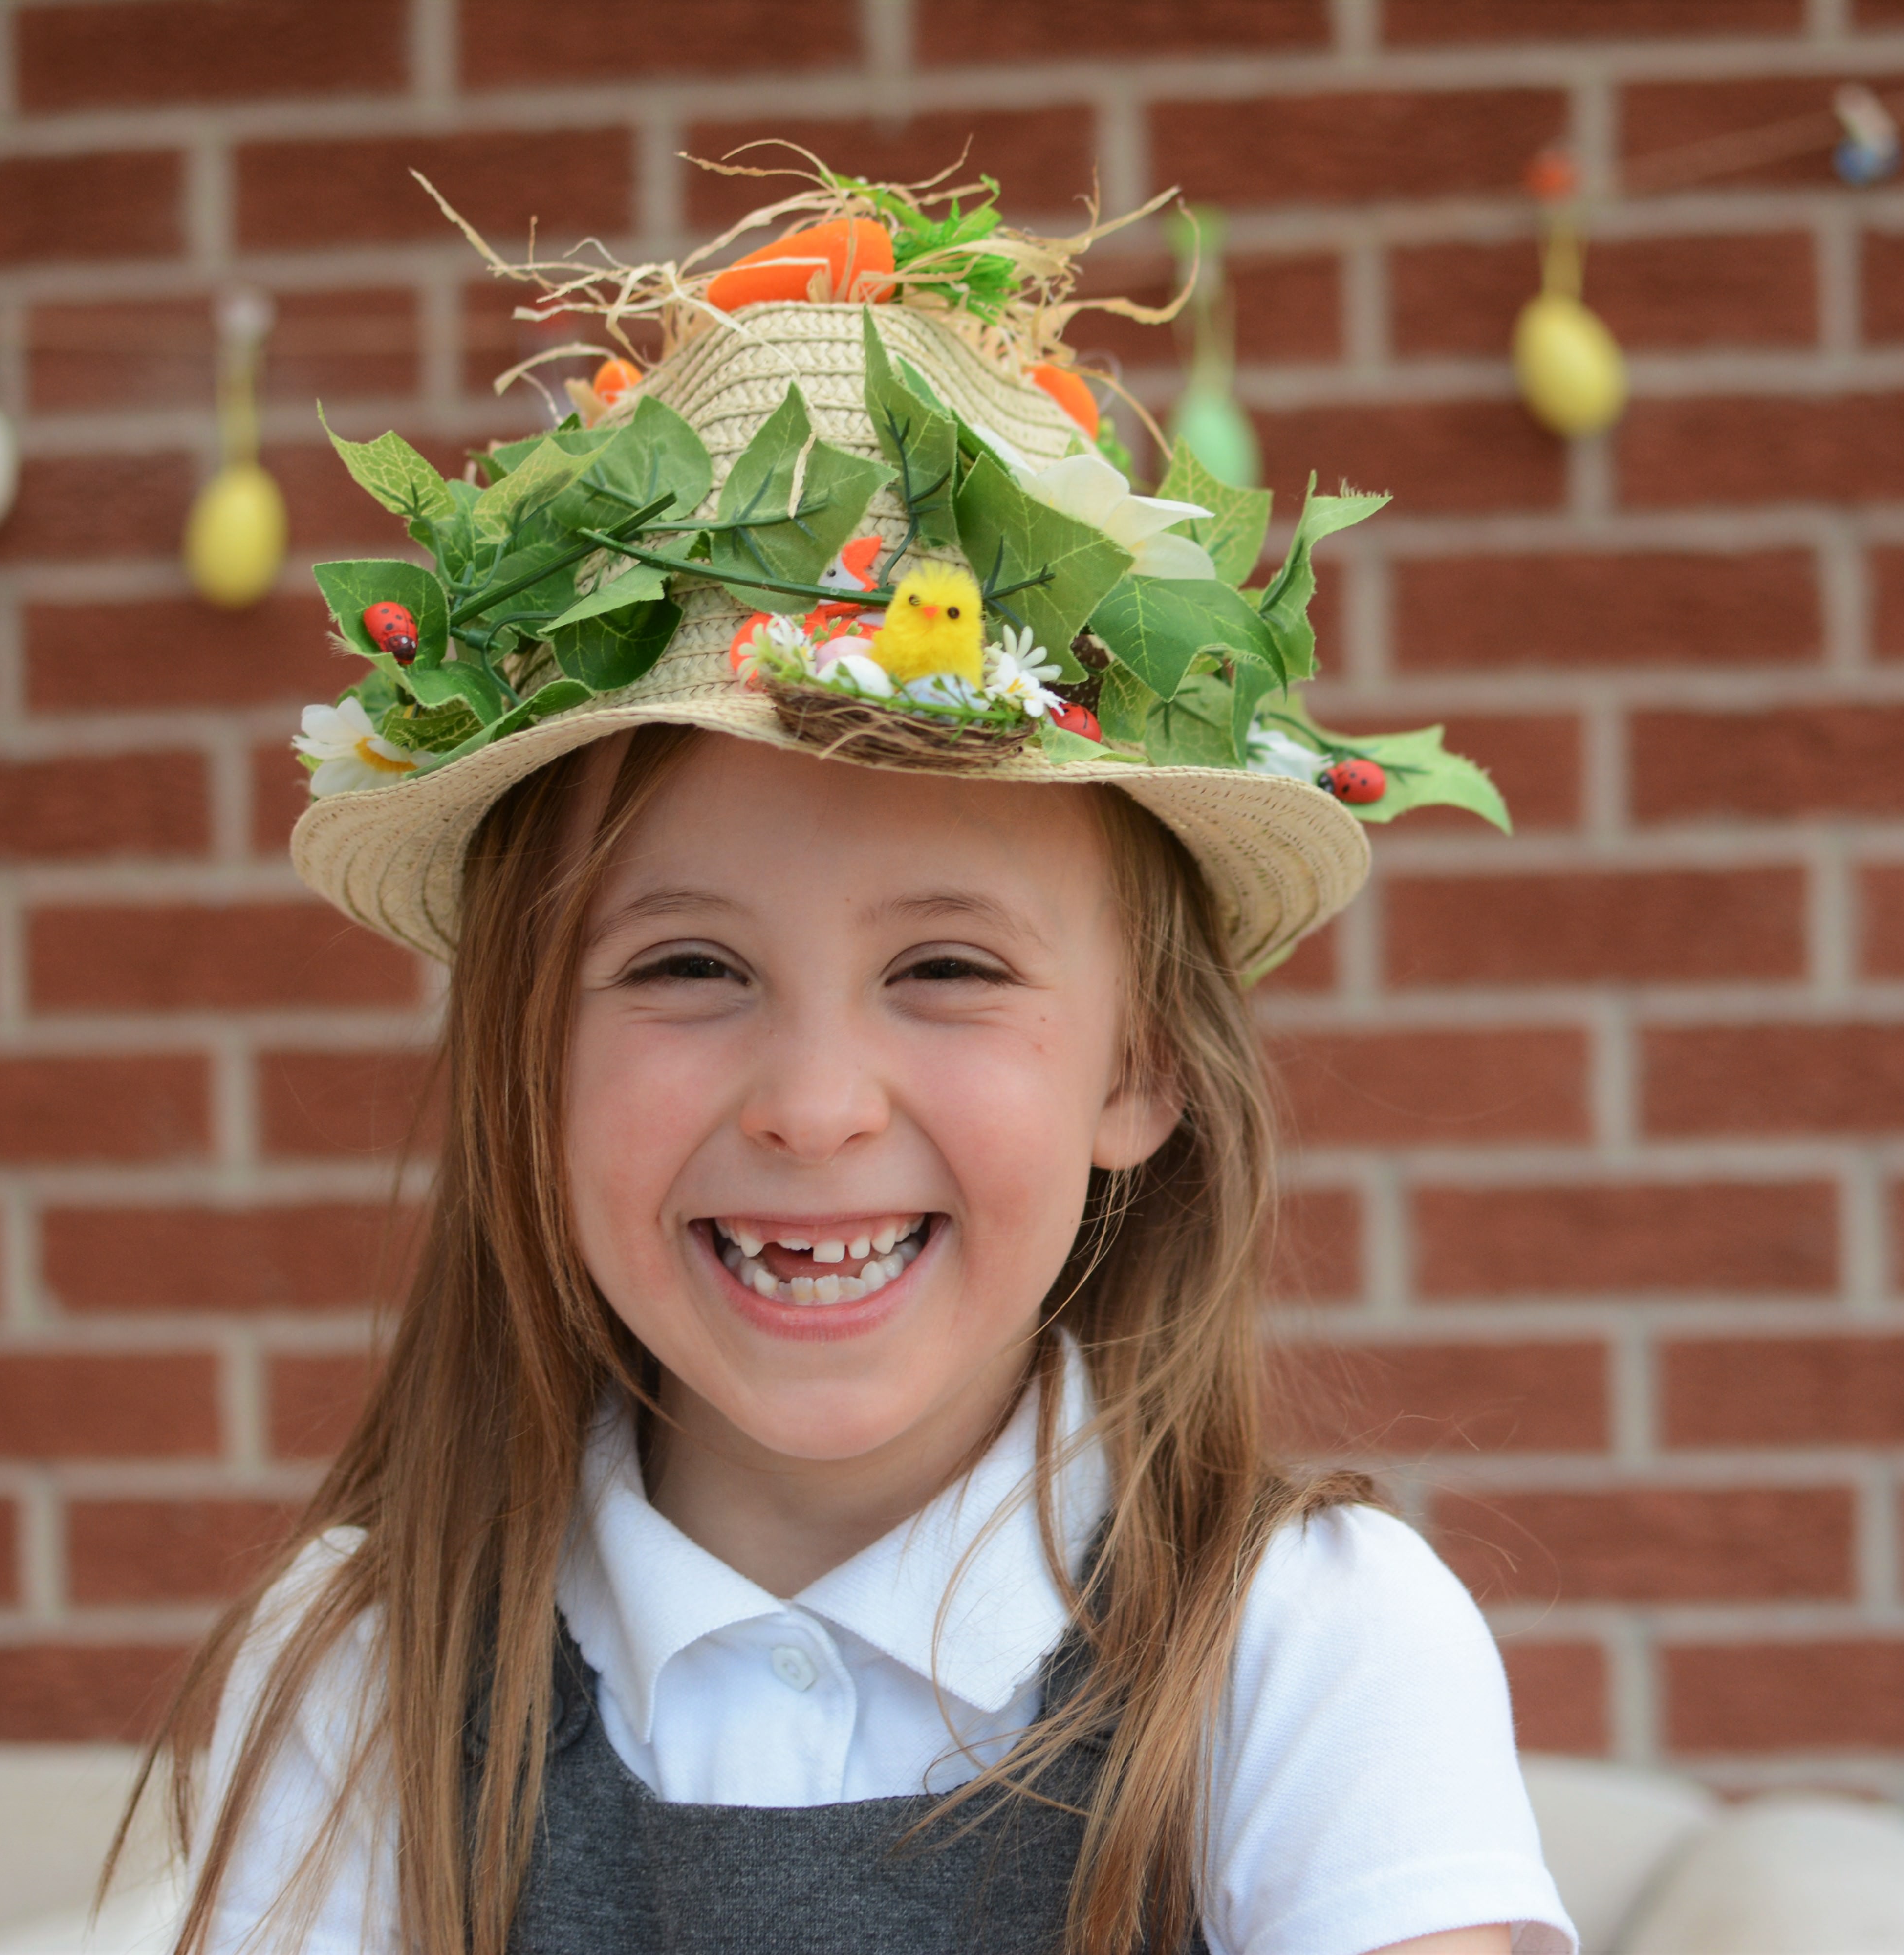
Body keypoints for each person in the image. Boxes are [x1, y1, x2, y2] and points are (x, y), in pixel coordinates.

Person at [120, 163, 1571, 1955]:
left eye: (948, 966)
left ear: (1144, 1065)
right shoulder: (364, 1672)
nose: (815, 1107)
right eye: (688, 964)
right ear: (525, 1065)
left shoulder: (1308, 1648)